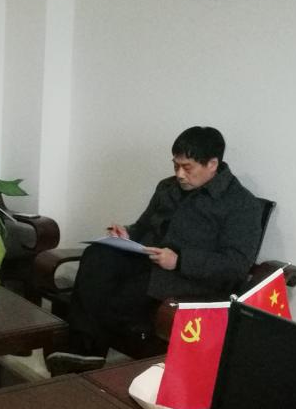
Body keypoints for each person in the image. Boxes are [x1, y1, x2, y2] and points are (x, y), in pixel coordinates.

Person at [46, 126, 263, 375]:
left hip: (190, 279)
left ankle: (85, 353)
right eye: (176, 166)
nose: (179, 174)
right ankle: (84, 351)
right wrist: (127, 234)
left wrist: (180, 261)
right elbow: (143, 226)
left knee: (114, 295)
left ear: (212, 164)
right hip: (151, 262)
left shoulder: (241, 204)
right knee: (98, 255)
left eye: (187, 167)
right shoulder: (167, 187)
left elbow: (236, 264)